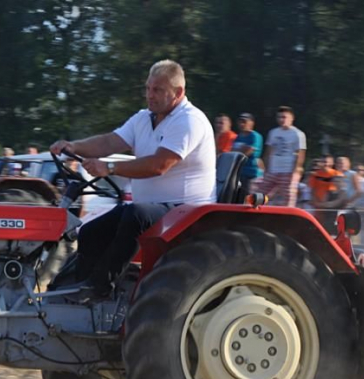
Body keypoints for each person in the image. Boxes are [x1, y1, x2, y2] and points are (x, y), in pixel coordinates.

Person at [50, 59, 215, 300]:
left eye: (157, 90)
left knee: (135, 215)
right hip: (156, 209)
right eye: (148, 88)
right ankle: (76, 294)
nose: (150, 95)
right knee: (89, 232)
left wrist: (110, 167)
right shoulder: (144, 118)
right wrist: (72, 146)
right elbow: (108, 142)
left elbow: (160, 164)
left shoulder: (189, 121)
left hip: (185, 211)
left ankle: (99, 287)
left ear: (178, 92)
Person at [257, 106, 307, 206]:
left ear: (291, 118)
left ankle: (288, 217)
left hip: (288, 170)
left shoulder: (297, 134)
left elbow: (301, 153)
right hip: (273, 169)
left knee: (288, 197)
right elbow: (269, 151)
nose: (282, 120)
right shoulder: (273, 132)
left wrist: (296, 170)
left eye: (284, 117)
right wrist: (266, 168)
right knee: (260, 194)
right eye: (279, 117)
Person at [309, 155, 346, 233]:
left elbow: (341, 189)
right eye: (323, 162)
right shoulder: (315, 175)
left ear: (332, 163)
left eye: (327, 162)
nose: (325, 164)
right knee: (318, 224)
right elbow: (312, 189)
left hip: (332, 203)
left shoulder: (337, 174)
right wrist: (316, 202)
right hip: (318, 204)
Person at [230, 113, 263, 194]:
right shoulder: (238, 137)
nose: (242, 124)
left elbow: (250, 150)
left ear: (251, 123)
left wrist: (240, 153)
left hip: (252, 172)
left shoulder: (254, 136)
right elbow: (233, 150)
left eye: (244, 122)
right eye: (240, 122)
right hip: (240, 171)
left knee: (249, 196)